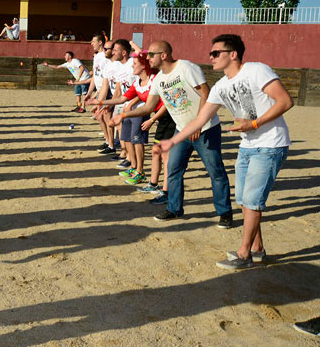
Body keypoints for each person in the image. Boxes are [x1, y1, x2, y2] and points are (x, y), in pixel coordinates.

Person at [154, 34, 292, 269]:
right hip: (247, 146)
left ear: (233, 54)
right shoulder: (221, 86)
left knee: (252, 201)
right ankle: (257, 248)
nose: (211, 57)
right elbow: (200, 119)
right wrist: (172, 141)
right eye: (211, 53)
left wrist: (255, 124)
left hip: (270, 144)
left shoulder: (256, 70)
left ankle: (244, 254)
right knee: (245, 202)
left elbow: (285, 101)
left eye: (216, 53)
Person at [124, 40, 233, 227]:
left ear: (163, 55)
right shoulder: (158, 79)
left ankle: (224, 212)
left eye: (151, 54)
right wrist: (124, 114)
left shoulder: (186, 67)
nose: (147, 57)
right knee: (173, 170)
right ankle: (174, 209)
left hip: (206, 129)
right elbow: (149, 107)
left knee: (215, 171)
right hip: (181, 131)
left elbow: (206, 93)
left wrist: (198, 124)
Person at [92, 51, 167, 185]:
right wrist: (101, 102)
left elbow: (165, 103)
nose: (132, 66)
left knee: (139, 142)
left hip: (157, 115)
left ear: (144, 66)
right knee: (127, 138)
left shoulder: (154, 79)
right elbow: (122, 98)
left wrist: (152, 119)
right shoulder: (138, 82)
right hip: (140, 113)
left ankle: (140, 171)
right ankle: (134, 168)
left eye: (135, 64)